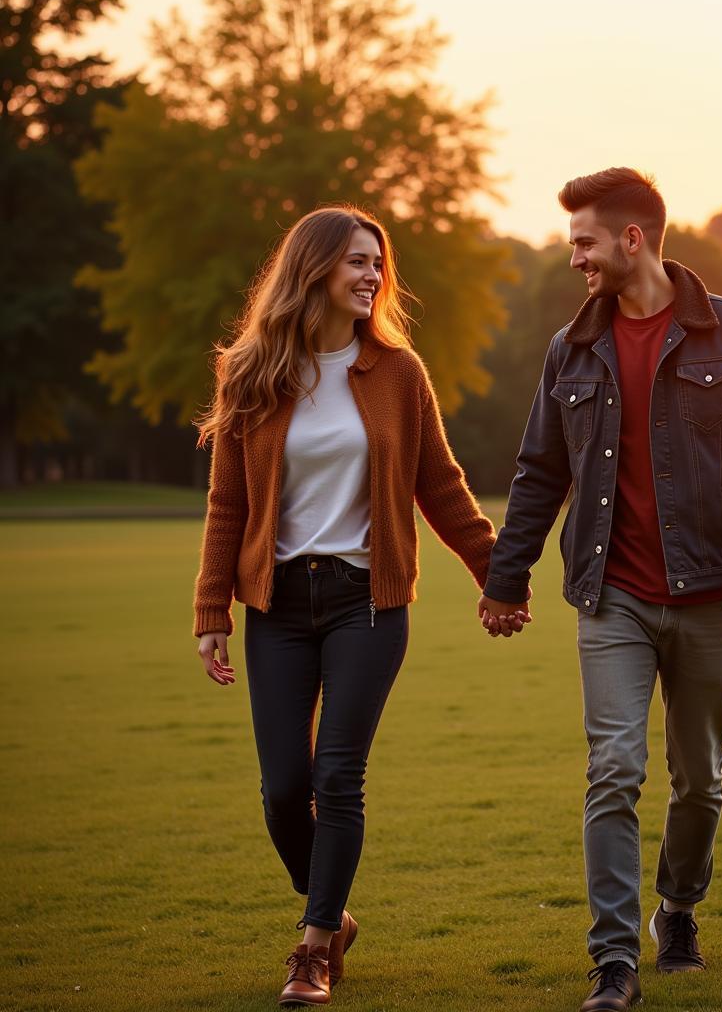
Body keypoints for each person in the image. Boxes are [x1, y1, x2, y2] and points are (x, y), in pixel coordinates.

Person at [479, 168, 722, 1011]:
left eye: (585, 240)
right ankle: (613, 962)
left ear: (633, 238)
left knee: (699, 780)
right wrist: (504, 579)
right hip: (610, 595)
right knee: (614, 768)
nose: (574, 256)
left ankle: (679, 910)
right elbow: (540, 470)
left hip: (709, 595)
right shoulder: (571, 349)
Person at [193, 204, 509, 1006]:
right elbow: (226, 504)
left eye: (379, 263)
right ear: (315, 269)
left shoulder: (398, 373)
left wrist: (496, 573)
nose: (373, 276)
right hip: (277, 605)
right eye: (357, 263)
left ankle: (312, 949)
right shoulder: (252, 370)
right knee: (280, 788)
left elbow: (440, 484)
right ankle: (333, 913)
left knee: (338, 775)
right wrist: (211, 613)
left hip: (367, 601)